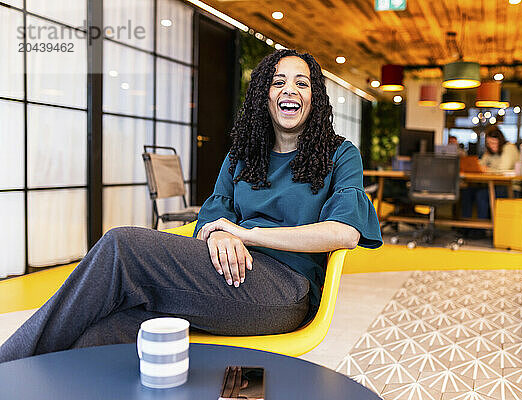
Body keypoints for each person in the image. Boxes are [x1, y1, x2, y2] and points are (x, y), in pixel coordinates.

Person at [0, 49, 383, 363]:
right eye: (278, 82)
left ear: (315, 97)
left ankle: (7, 366)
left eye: (302, 83)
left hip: (285, 291)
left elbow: (344, 232)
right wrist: (218, 234)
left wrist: (246, 234)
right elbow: (212, 215)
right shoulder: (243, 155)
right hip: (223, 276)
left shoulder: (340, 154)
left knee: (121, 246)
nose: (290, 90)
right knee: (104, 331)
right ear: (264, 95)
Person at [461, 126, 520, 222]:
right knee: (467, 192)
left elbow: (503, 170)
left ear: (500, 141)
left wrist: (487, 169)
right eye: (488, 143)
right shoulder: (490, 151)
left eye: (493, 143)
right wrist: (481, 166)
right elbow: (480, 166)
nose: (491, 146)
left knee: (481, 195)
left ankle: (481, 229)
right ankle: (465, 227)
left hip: (509, 187)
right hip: (491, 185)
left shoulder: (509, 148)